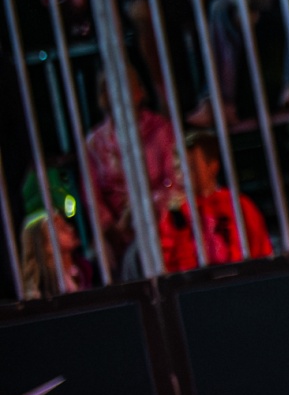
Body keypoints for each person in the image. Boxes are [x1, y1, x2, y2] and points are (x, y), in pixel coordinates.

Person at [83, 63, 177, 279]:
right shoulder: (95, 142)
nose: (118, 93)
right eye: (110, 88)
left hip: (159, 220)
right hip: (116, 231)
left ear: (139, 91)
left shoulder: (161, 129)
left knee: (145, 251)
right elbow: (92, 198)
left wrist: (142, 211)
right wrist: (111, 228)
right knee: (100, 258)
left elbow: (174, 179)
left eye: (125, 86)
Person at [160, 131, 272, 270]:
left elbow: (261, 252)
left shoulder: (238, 204)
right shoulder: (174, 212)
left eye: (191, 167)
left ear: (213, 166)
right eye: (178, 168)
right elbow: (168, 263)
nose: (182, 176)